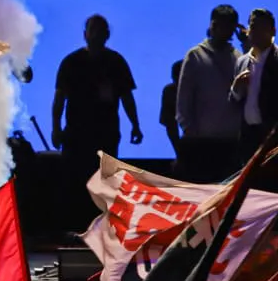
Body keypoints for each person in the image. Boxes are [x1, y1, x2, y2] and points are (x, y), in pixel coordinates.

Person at [51, 15, 142, 183]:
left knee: (104, 185)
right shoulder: (71, 63)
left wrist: (135, 125)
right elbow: (59, 98)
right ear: (85, 34)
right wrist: (56, 128)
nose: (95, 35)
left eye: (99, 30)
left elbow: (127, 97)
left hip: (105, 135)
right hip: (77, 135)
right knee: (76, 184)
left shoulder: (116, 62)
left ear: (106, 34)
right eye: (93, 30)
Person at [176, 4, 243, 183]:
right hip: (202, 141)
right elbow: (184, 99)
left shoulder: (238, 57)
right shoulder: (195, 56)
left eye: (230, 27)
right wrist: (189, 130)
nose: (226, 32)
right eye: (222, 26)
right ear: (212, 25)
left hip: (231, 140)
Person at [230, 9, 278, 157]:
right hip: (249, 139)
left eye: (262, 27)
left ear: (273, 31)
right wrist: (235, 89)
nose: (256, 31)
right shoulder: (241, 61)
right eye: (253, 26)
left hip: (276, 141)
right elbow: (233, 102)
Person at [160, 60, 182, 156]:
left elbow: (170, 124)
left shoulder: (170, 91)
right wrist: (179, 153)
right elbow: (170, 124)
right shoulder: (170, 91)